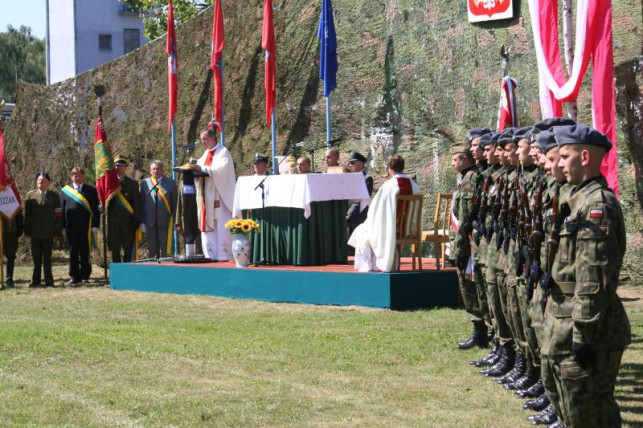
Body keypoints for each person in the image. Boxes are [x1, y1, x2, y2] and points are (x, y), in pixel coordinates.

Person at [539, 124, 631, 428]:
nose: (559, 163)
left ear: (586, 157)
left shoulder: (597, 205)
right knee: (569, 409)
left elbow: (594, 278)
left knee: (589, 413)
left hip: (588, 328)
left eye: (565, 156)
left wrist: (582, 335)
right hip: (564, 320)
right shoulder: (577, 200)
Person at [348, 154, 419, 272]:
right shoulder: (414, 186)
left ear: (389, 169)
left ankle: (372, 264)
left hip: (391, 228)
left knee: (362, 229)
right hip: (408, 228)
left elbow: (376, 209)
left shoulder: (389, 186)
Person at [450, 141, 488, 350]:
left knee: (470, 287)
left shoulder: (471, 179)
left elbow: (465, 218)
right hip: (464, 241)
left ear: (464, 159)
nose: (453, 163)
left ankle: (480, 332)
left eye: (455, 159)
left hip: (468, 243)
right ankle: (480, 331)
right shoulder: (467, 178)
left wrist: (460, 248)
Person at [187, 126, 236, 260]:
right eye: (201, 139)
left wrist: (201, 167)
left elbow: (222, 170)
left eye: (205, 139)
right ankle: (210, 255)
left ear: (213, 138)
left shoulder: (222, 152)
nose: (203, 142)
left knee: (220, 225)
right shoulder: (205, 154)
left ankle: (224, 255)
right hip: (205, 197)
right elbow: (200, 167)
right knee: (209, 225)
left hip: (219, 195)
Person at [61, 167, 99, 284]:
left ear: (83, 176)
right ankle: (73, 276)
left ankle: (85, 276)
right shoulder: (65, 191)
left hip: (86, 227)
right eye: (75, 175)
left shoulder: (91, 190)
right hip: (70, 227)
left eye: (79, 175)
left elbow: (95, 210)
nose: (77, 177)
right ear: (71, 177)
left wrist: (95, 225)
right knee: (73, 252)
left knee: (84, 251)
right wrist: (62, 227)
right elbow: (61, 211)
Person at [24, 172, 62, 287]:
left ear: (48, 182)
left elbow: (58, 215)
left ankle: (49, 281)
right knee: (36, 258)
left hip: (48, 232)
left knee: (47, 258)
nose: (40, 182)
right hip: (34, 233)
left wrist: (57, 231)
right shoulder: (30, 196)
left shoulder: (54, 196)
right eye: (39, 180)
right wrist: (27, 231)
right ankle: (35, 281)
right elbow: (27, 216)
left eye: (43, 180)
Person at [106, 156, 141, 262]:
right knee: (115, 249)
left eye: (121, 165)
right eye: (116, 165)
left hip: (128, 222)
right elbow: (103, 198)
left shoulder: (132, 184)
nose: (118, 167)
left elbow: (137, 204)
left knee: (128, 249)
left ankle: (127, 274)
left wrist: (137, 220)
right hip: (113, 222)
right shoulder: (108, 183)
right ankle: (117, 275)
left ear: (126, 167)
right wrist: (101, 205)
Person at [141, 160, 177, 259]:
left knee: (166, 250)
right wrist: (142, 221)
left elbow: (175, 204)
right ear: (150, 171)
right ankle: (153, 270)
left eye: (158, 169)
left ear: (162, 170)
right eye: (153, 169)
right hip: (150, 221)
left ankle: (166, 268)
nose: (155, 171)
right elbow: (142, 204)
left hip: (165, 222)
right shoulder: (145, 183)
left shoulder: (171, 183)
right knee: (152, 250)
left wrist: (175, 221)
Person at [346, 150, 373, 239]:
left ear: (361, 164)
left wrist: (349, 214)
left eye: (352, 163)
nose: (349, 165)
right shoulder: (348, 178)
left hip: (357, 216)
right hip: (346, 215)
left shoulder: (367, 179)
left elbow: (361, 200)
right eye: (349, 163)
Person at [2, 208, 23, 288]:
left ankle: (9, 280)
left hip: (11, 230)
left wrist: (19, 228)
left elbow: (18, 211)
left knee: (11, 256)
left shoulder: (13, 195)